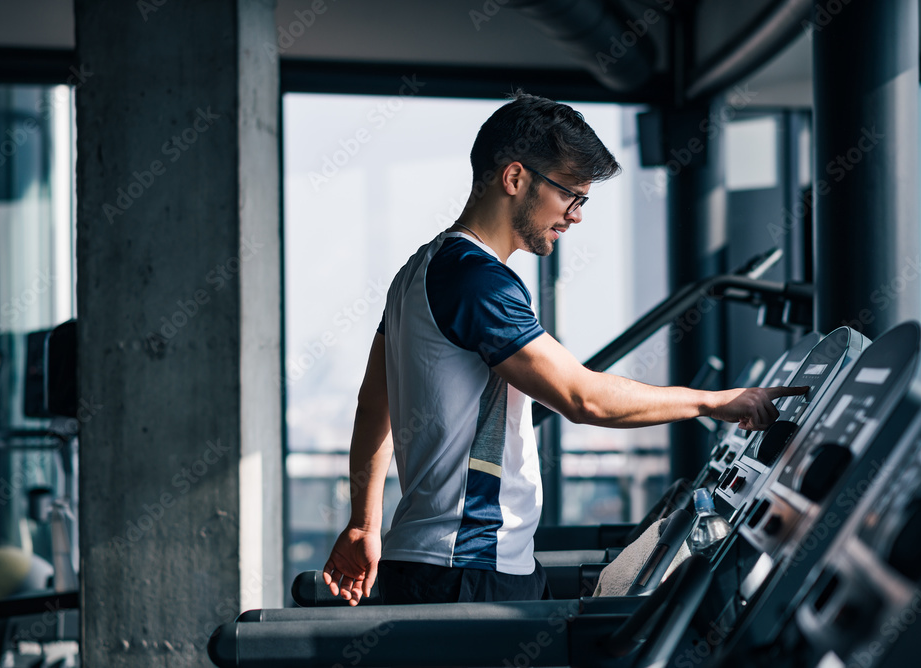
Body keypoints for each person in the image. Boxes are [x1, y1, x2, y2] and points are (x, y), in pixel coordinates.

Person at [321, 92, 807, 606]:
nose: (576, 216)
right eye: (571, 195)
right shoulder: (478, 280)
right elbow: (584, 399)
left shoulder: (417, 269)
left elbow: (374, 406)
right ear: (515, 178)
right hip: (469, 568)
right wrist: (715, 402)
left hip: (436, 563)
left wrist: (364, 523)